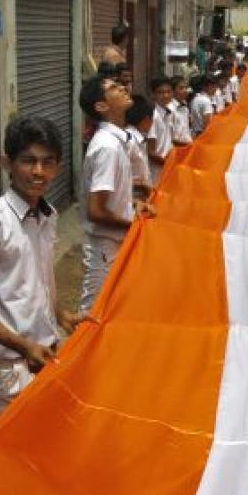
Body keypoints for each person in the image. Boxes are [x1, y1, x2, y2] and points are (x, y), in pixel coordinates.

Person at [0, 116, 80, 419]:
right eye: (28, 161)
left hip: (45, 355)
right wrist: (24, 346)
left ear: (58, 167)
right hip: (7, 370)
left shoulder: (48, 215)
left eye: (47, 162)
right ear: (7, 162)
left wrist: (60, 314)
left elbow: (38, 279)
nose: (39, 171)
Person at [78, 76, 154, 316]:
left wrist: (133, 204)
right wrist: (132, 222)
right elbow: (96, 210)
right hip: (105, 247)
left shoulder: (116, 141)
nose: (122, 87)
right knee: (94, 314)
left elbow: (112, 196)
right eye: (113, 88)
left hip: (114, 243)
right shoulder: (108, 147)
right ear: (101, 106)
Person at [146, 78, 175, 184]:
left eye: (168, 92)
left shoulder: (169, 113)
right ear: (153, 95)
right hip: (157, 170)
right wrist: (167, 163)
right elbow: (150, 151)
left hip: (168, 166)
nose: (165, 95)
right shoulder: (154, 116)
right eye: (160, 92)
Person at [125, 94, 154, 198]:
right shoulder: (129, 141)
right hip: (131, 198)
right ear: (147, 119)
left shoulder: (139, 139)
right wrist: (141, 185)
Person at [169, 76, 193, 147]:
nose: (185, 90)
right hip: (178, 148)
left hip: (187, 146)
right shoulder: (170, 109)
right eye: (181, 88)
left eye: (186, 88)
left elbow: (186, 130)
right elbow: (169, 136)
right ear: (173, 91)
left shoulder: (185, 107)